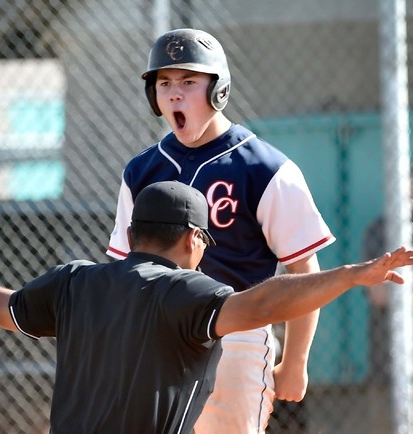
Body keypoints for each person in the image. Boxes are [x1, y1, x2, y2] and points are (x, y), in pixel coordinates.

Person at [0, 180, 413, 434]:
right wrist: (352, 274)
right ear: (196, 241)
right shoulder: (185, 292)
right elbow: (266, 301)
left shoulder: (74, 282)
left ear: (131, 236)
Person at [106, 28, 335, 433]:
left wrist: (296, 361)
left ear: (219, 90)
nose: (174, 94)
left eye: (189, 82)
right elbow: (126, 275)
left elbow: (306, 274)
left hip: (237, 336)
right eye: (164, 83)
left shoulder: (265, 168)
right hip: (158, 339)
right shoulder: (141, 171)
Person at [362, 147, 413, 433]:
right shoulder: (387, 231)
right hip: (396, 378)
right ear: (407, 187)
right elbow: (382, 291)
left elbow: (404, 288)